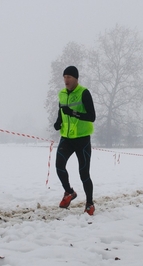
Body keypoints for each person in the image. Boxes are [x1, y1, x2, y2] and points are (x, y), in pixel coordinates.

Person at [53, 66, 96, 215]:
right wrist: (58, 122)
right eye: (64, 77)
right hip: (66, 138)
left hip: (82, 139)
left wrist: (73, 113)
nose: (66, 80)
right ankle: (69, 192)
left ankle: (90, 203)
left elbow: (92, 116)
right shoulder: (62, 94)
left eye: (69, 77)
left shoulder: (84, 93)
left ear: (76, 79)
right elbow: (61, 112)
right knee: (59, 166)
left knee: (84, 173)